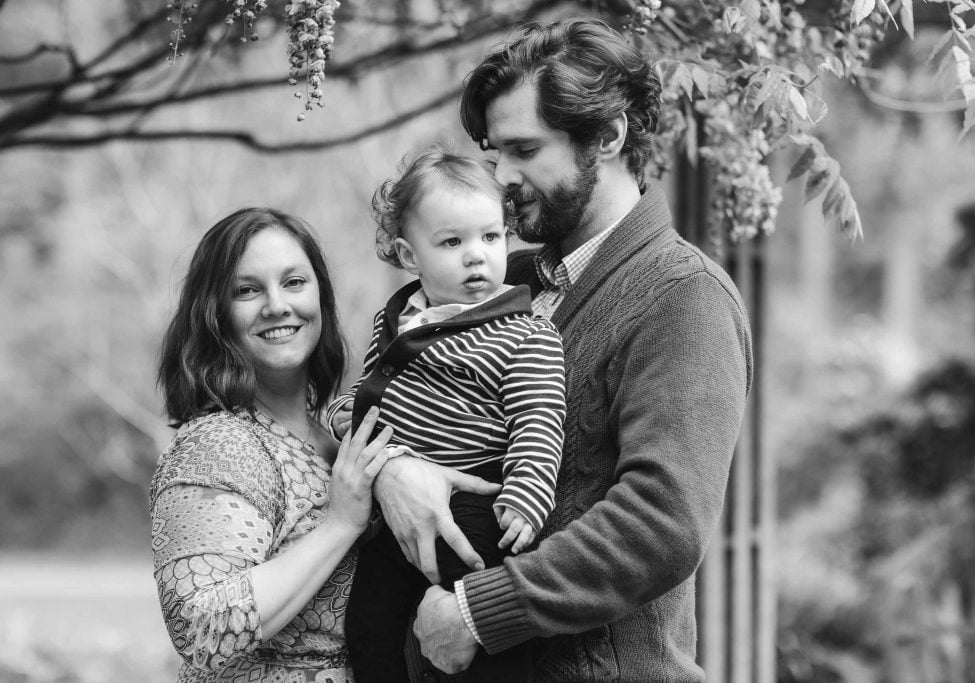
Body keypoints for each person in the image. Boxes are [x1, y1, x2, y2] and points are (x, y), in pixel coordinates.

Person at [368, 18, 753, 681]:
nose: (501, 177)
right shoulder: (503, 279)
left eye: (523, 150)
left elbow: (661, 525)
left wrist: (478, 611)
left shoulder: (684, 298)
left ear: (607, 136)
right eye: (493, 154)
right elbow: (394, 388)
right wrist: (392, 468)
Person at [327, 148, 567, 682]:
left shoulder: (524, 333)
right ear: (409, 256)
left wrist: (526, 495)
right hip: (393, 519)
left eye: (490, 237)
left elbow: (539, 421)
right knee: (369, 629)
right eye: (452, 242)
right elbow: (371, 394)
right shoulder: (396, 320)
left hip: (476, 516)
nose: (476, 256)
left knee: (486, 660)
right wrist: (346, 415)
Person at [150, 207, 400, 682]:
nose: (276, 305)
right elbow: (200, 628)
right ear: (214, 314)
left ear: (321, 298)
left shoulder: (335, 432)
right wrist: (339, 524)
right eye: (246, 290)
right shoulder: (219, 444)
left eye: (294, 282)